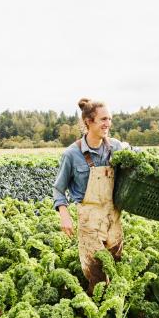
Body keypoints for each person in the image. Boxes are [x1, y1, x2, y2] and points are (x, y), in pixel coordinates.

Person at [52, 98, 135, 294]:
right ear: (89, 121)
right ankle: (95, 311)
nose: (108, 124)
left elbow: (137, 156)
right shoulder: (72, 154)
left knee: (116, 266)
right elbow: (58, 188)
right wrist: (64, 215)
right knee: (96, 273)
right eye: (103, 119)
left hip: (113, 217)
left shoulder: (115, 147)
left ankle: (115, 309)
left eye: (110, 119)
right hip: (89, 220)